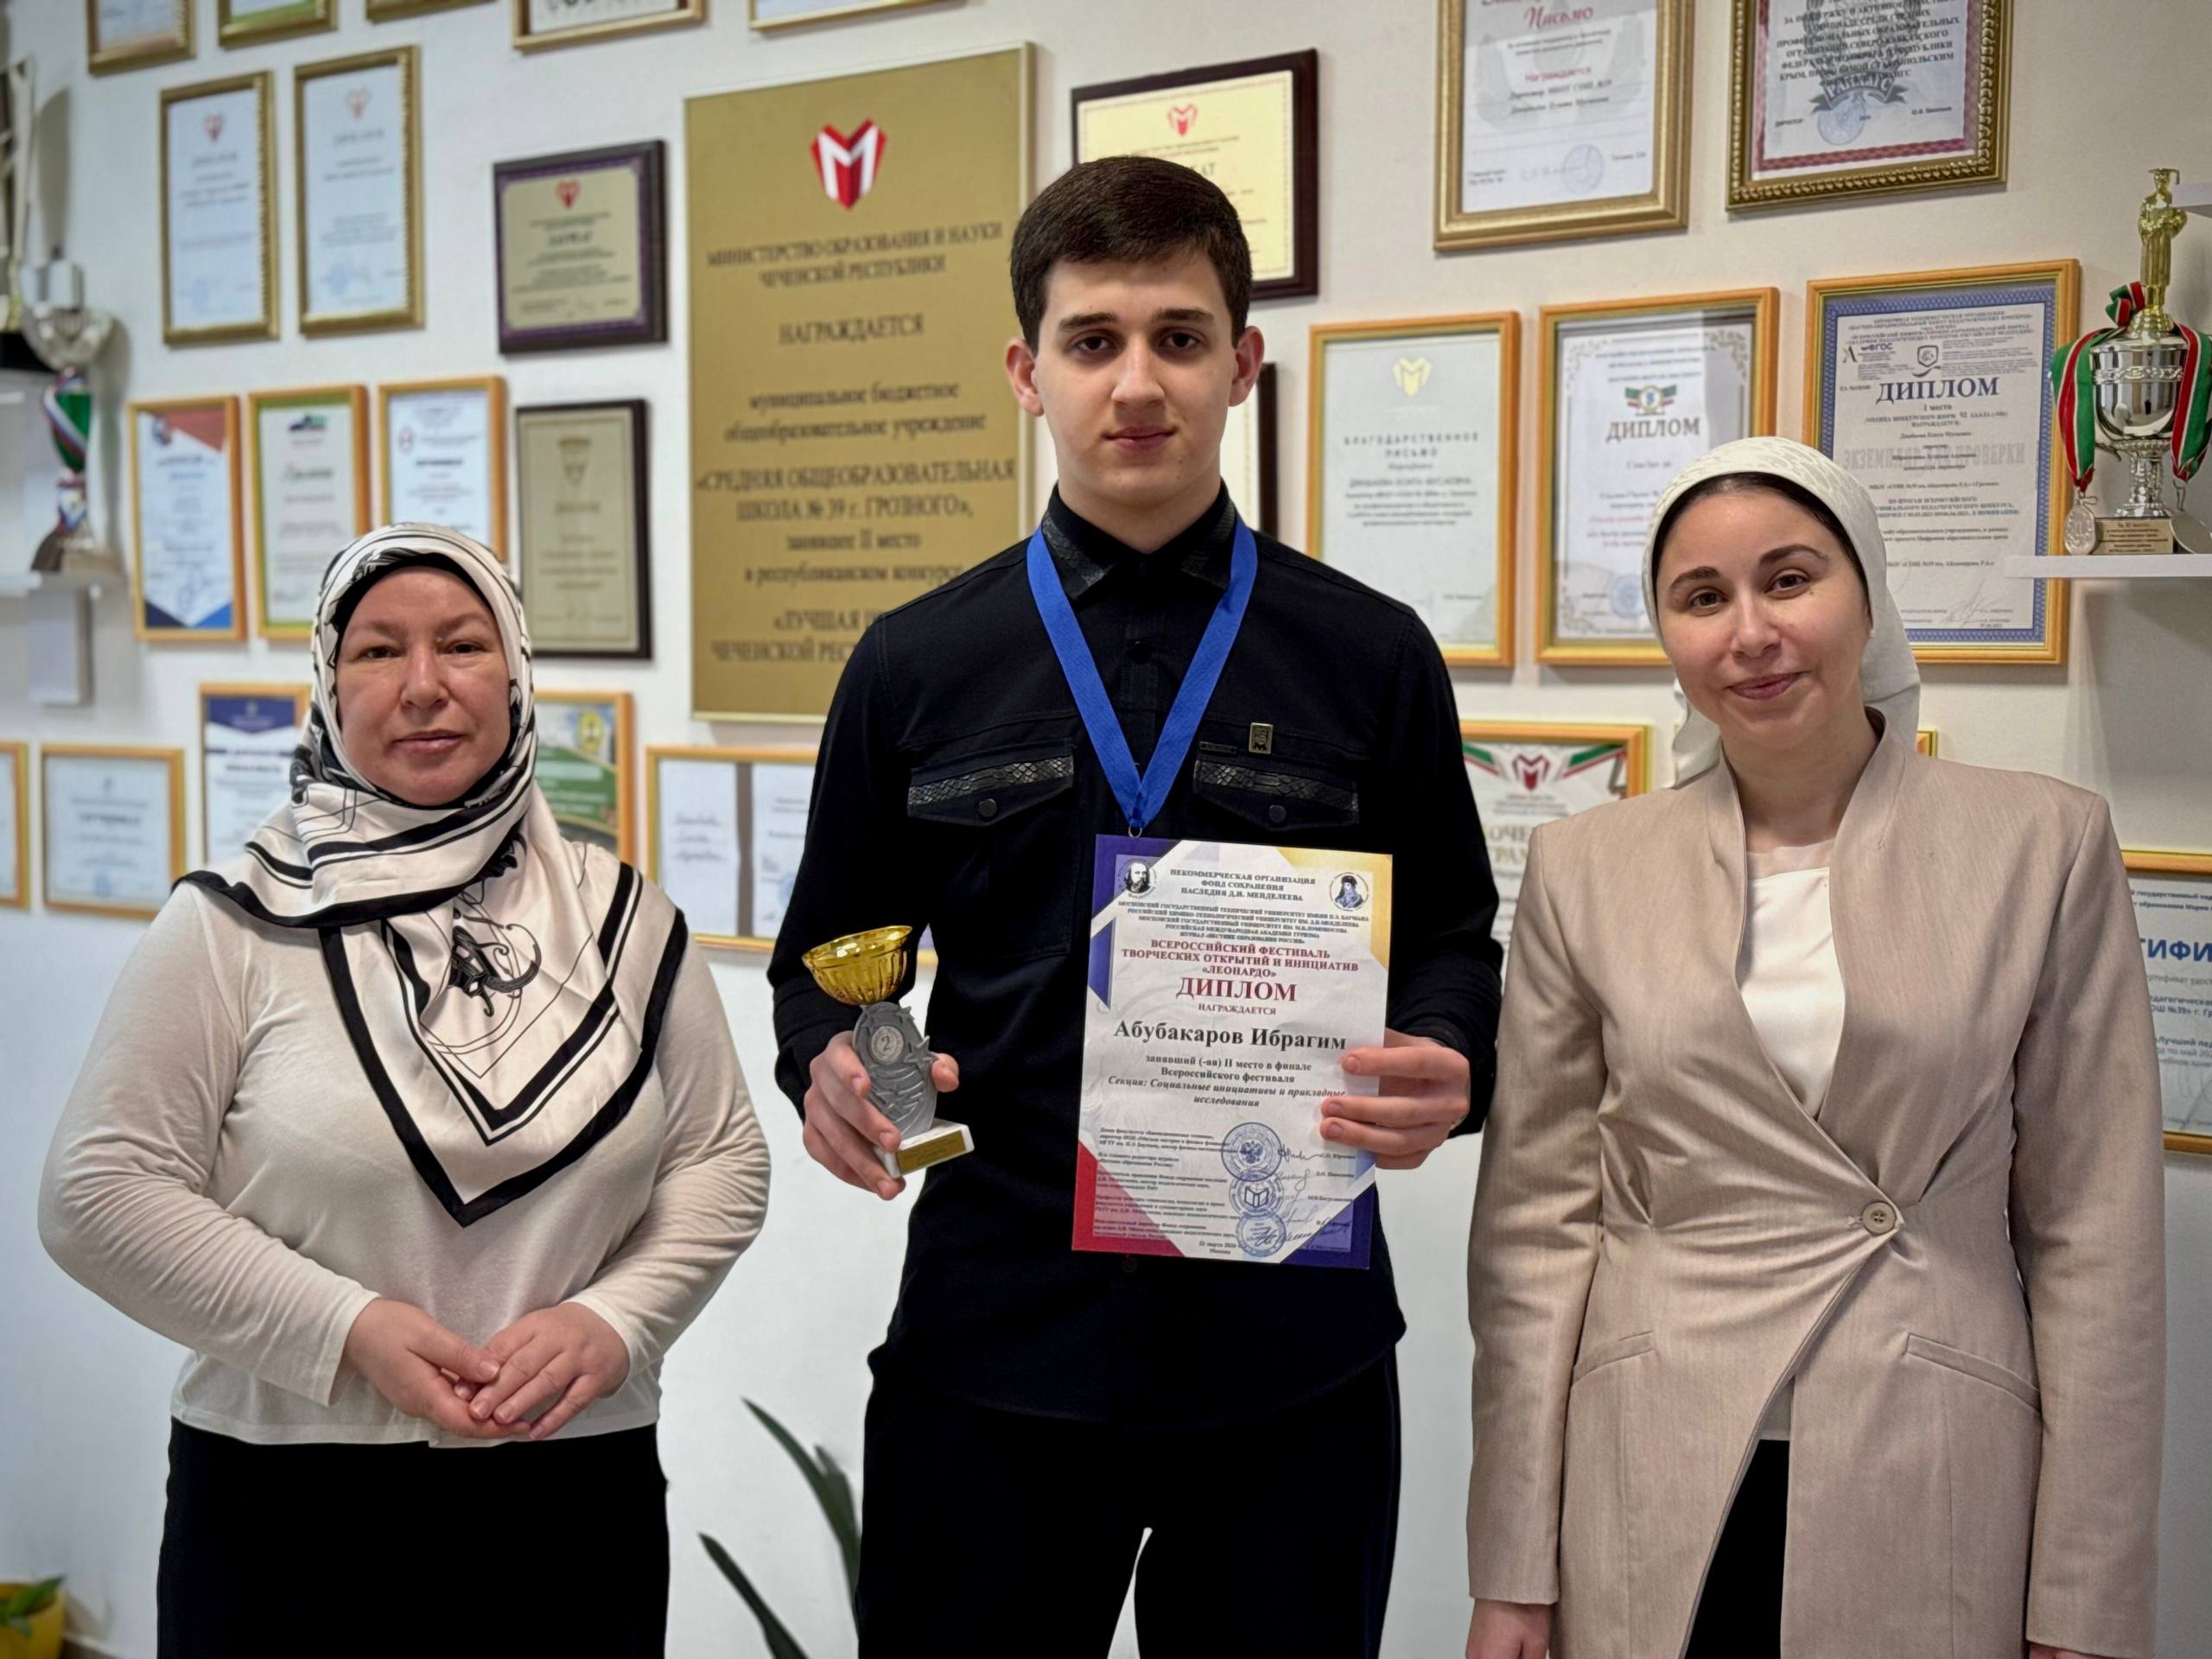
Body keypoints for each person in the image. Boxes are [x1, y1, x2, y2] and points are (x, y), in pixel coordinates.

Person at [767, 155, 1503, 1656]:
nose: (1138, 382)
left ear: (1243, 363)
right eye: (1093, 340)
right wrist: (850, 1074)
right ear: (1027, 372)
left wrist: (1448, 1052)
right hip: (996, 1345)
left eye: (1179, 336)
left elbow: (1449, 932)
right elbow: (836, 961)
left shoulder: (1370, 655)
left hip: (1287, 1364)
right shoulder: (916, 663)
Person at [1463, 438, 2165, 1659]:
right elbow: (1536, 1233)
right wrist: (1513, 1567)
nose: (1752, 633)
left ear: (1868, 594)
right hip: (1653, 1454)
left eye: (1790, 580)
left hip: (1929, 1445)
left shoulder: (2038, 846)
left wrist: (2085, 1598)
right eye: (1703, 597)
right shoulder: (1587, 869)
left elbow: (2095, 1239)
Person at [39, 524, 770, 1657]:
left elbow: (723, 1157)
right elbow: (99, 1192)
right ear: (329, 685)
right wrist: (349, 1330)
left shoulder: (623, 920)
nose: (424, 685)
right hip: (288, 1506)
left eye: (463, 645)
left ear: (514, 673)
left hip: (573, 1492)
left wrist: (618, 1320)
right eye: (378, 651)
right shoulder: (234, 922)